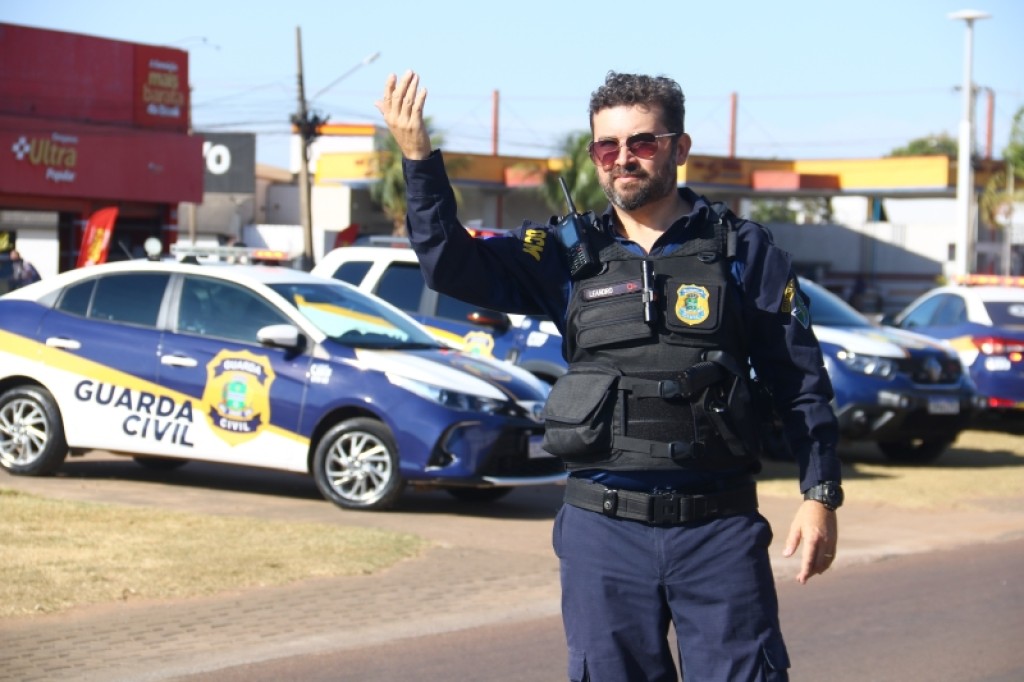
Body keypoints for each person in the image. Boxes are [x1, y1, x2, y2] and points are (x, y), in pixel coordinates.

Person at [377, 69, 842, 682]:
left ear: (679, 147)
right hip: (602, 531)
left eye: (642, 142)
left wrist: (819, 495)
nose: (623, 158)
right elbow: (448, 264)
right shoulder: (564, 253)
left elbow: (799, 380)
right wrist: (418, 159)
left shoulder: (743, 251)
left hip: (718, 529)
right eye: (606, 146)